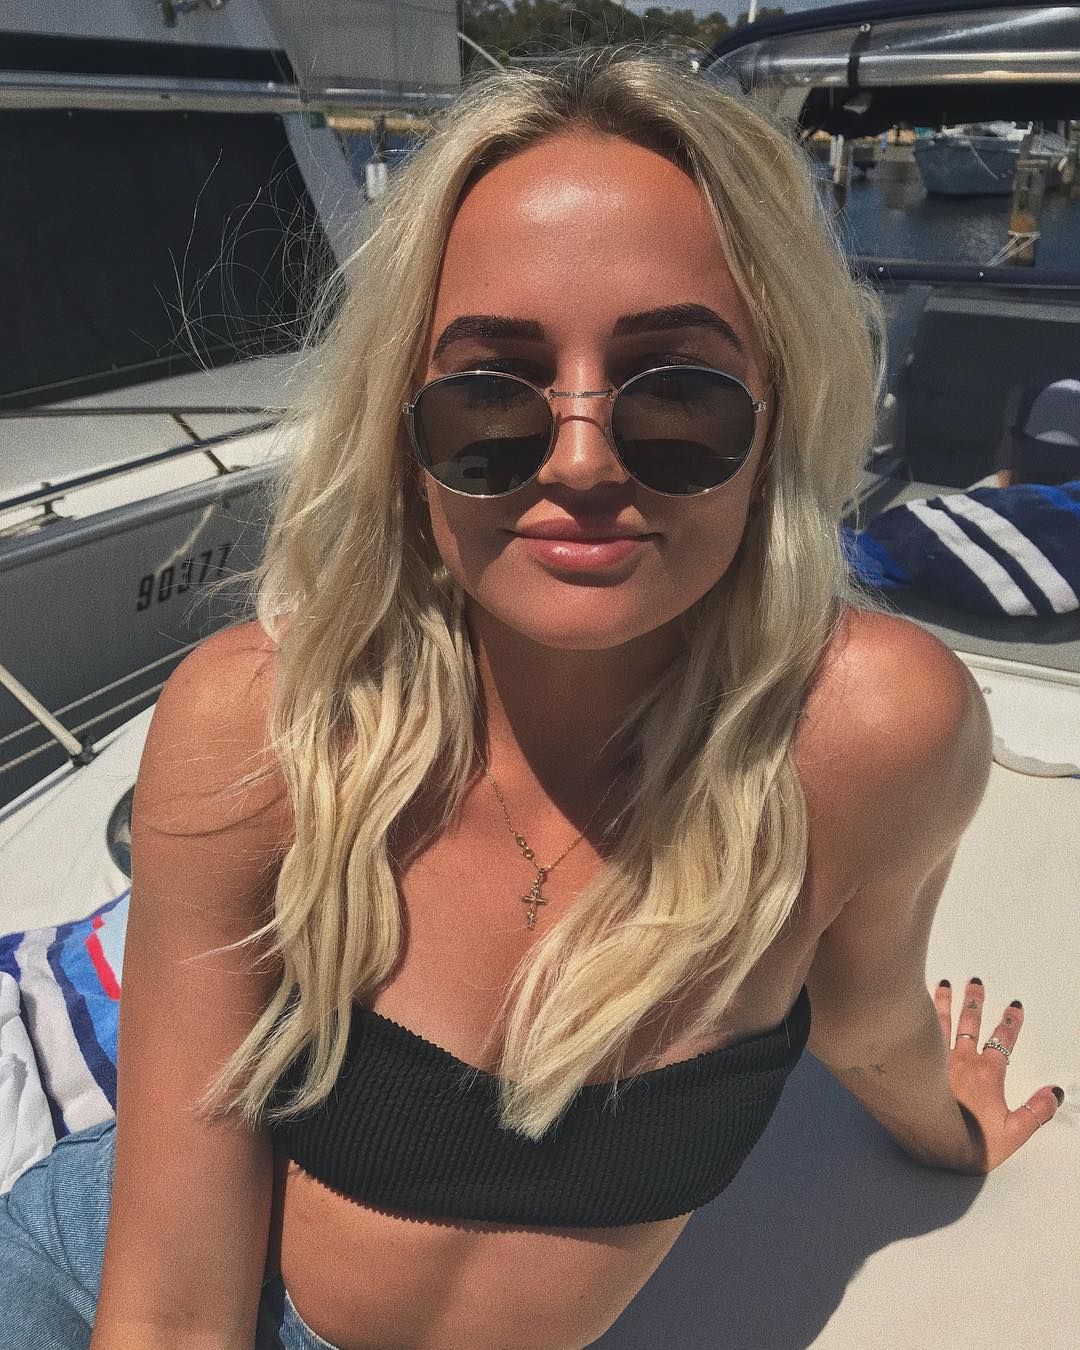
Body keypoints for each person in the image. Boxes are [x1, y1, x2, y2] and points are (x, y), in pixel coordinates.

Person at [0, 48, 1063, 1350]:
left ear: (778, 410)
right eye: (489, 397)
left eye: (677, 391)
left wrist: (947, 1130)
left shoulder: (871, 731)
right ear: (405, 431)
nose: (580, 459)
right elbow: (170, 1315)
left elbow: (865, 1010)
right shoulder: (267, 729)